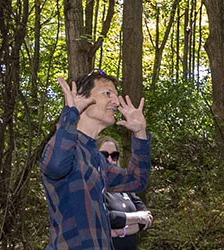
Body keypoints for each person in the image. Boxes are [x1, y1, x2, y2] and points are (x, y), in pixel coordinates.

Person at [40, 70, 151, 249]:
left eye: (116, 95)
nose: (116, 102)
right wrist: (71, 113)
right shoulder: (65, 147)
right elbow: (56, 167)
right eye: (108, 94)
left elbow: (136, 179)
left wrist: (140, 133)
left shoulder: (96, 158)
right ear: (82, 99)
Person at [98, 136, 154, 250]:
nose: (110, 160)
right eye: (104, 155)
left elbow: (147, 217)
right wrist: (137, 217)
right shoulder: (89, 187)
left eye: (114, 156)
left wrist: (120, 231)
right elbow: (104, 218)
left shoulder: (124, 187)